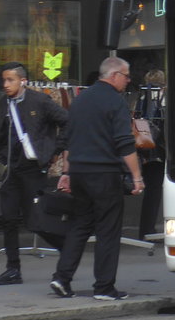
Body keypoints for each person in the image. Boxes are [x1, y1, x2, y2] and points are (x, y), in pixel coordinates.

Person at [49, 57, 144, 301]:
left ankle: (62, 278)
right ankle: (104, 287)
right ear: (114, 75)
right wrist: (137, 177)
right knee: (108, 230)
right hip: (104, 174)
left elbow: (69, 140)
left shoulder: (80, 100)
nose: (128, 80)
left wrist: (67, 173)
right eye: (126, 75)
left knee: (79, 225)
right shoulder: (115, 101)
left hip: (79, 172)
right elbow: (125, 143)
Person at [0, 62, 68, 286]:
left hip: (33, 168)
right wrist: (2, 155)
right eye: (3, 80)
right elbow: (3, 133)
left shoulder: (40, 101)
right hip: (12, 168)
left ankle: (67, 247)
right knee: (8, 218)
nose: (5, 85)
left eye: (10, 80)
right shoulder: (4, 102)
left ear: (22, 81)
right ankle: (13, 268)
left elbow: (67, 121)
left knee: (35, 220)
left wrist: (53, 151)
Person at [135, 69, 166, 239]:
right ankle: (148, 230)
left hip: (143, 148)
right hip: (158, 149)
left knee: (151, 191)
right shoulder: (163, 99)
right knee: (154, 190)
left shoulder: (141, 98)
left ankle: (146, 228)